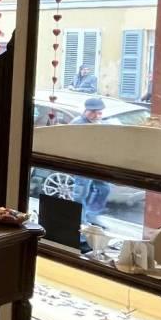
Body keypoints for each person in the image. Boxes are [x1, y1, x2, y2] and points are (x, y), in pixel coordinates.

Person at [72, 96, 111, 234]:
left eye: (99, 112)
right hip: (82, 165)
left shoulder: (101, 123)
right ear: (86, 111)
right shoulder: (78, 124)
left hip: (97, 163)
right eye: (93, 112)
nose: (96, 115)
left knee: (104, 189)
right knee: (81, 193)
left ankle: (91, 215)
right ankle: (81, 222)